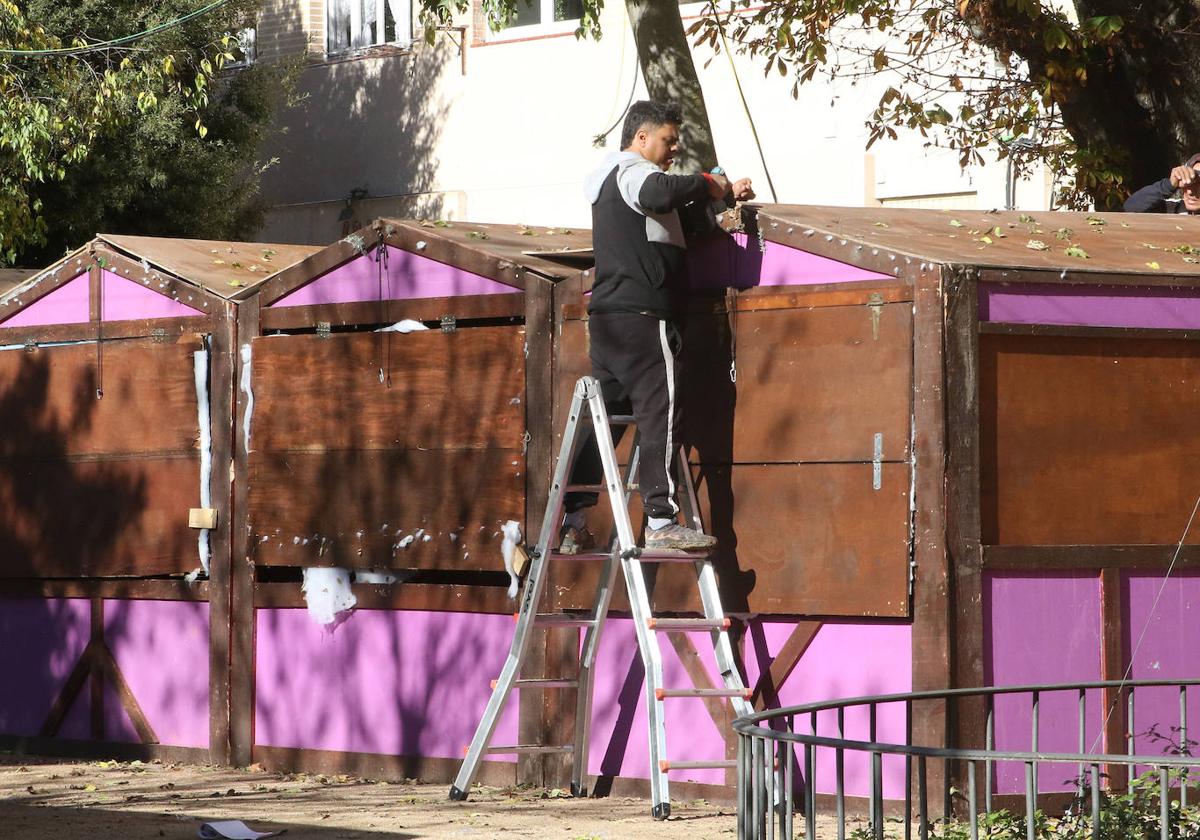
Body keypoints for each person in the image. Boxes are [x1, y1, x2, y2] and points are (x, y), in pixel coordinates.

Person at [560, 100, 754, 554]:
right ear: (641, 138)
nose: (673, 149)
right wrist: (709, 181)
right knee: (661, 413)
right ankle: (662, 520)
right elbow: (659, 192)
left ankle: (573, 518)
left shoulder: (614, 184)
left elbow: (669, 222)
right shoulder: (632, 172)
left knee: (606, 420)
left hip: (609, 322)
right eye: (668, 141)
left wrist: (720, 207)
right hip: (645, 320)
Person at [1124, 154, 1200, 213]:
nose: (1190, 192)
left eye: (1199, 184)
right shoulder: (1172, 208)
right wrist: (1169, 185)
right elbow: (1129, 208)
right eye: (1187, 184)